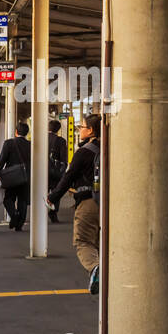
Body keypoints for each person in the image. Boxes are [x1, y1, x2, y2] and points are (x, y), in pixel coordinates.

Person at [49, 114, 101, 294]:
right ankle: (106, 274)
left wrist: (53, 197)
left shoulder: (84, 152)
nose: (80, 130)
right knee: (102, 242)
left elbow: (68, 177)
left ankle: (95, 268)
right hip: (113, 204)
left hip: (89, 202)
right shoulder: (113, 149)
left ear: (91, 130)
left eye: (82, 127)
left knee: (84, 241)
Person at [0, 122, 32, 231]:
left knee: (8, 199)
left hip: (11, 177)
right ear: (27, 133)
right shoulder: (30, 145)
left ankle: (14, 215)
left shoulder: (8, 143)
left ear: (16, 131)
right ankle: (19, 225)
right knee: (23, 200)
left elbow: (2, 159)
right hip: (25, 177)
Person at [47, 118, 69, 223]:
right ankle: (53, 212)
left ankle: (39, 212)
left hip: (42, 171)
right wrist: (62, 171)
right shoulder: (61, 141)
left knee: (42, 191)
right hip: (55, 171)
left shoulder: (40, 138)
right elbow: (64, 159)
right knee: (56, 192)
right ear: (58, 129)